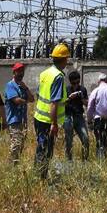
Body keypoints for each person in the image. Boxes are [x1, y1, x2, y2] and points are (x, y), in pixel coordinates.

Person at [33, 42, 71, 178]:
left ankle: (37, 175)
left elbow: (40, 94)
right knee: (46, 151)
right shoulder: (58, 77)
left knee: (40, 148)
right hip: (48, 120)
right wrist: (54, 124)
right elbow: (53, 102)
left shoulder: (45, 73)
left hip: (38, 117)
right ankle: (40, 177)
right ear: (65, 59)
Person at [4, 62, 32, 164]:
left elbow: (32, 98)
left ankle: (16, 164)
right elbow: (16, 100)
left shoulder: (22, 86)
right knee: (16, 144)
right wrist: (26, 101)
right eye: (19, 71)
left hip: (23, 120)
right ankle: (11, 165)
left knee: (21, 145)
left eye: (22, 71)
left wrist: (26, 88)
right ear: (14, 72)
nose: (21, 73)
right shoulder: (10, 85)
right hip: (14, 120)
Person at [63, 70, 90, 161]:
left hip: (79, 116)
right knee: (69, 140)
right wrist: (69, 98)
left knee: (85, 138)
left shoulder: (82, 89)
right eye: (74, 83)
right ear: (70, 82)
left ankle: (85, 160)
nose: (76, 84)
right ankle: (69, 160)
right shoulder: (66, 89)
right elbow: (61, 104)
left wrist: (82, 97)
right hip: (68, 116)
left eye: (78, 82)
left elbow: (87, 104)